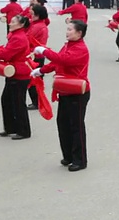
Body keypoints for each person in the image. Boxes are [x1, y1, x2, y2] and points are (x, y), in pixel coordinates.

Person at [33, 20, 91, 172]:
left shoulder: (81, 49)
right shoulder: (68, 45)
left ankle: (80, 160)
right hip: (65, 89)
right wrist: (41, 70)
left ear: (79, 33)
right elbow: (57, 62)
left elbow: (64, 60)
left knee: (76, 126)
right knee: (63, 123)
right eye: (67, 28)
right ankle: (68, 156)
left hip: (77, 91)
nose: (67, 31)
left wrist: (45, 51)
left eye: (70, 29)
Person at [0, 15, 33, 140]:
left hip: (19, 74)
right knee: (7, 100)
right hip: (14, 72)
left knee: (18, 103)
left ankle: (23, 131)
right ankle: (10, 127)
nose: (10, 24)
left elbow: (7, 54)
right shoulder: (16, 36)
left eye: (13, 22)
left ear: (21, 24)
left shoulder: (19, 38)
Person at [27, 5, 49, 110]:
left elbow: (27, 39)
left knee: (33, 81)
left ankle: (36, 102)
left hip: (34, 56)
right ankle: (37, 101)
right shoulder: (39, 24)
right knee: (36, 80)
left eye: (32, 13)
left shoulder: (37, 27)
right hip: (38, 55)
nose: (31, 15)